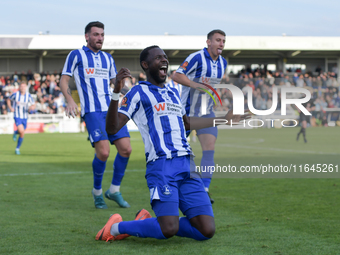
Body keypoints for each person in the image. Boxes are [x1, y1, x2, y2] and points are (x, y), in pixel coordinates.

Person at [96, 45, 248, 242]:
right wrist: (116, 93)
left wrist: (223, 119)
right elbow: (112, 128)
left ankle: (145, 222)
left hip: (188, 164)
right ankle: (115, 227)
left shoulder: (173, 92)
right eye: (158, 58)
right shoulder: (137, 93)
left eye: (165, 57)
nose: (164, 60)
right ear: (145, 64)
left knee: (206, 230)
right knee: (168, 228)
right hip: (162, 165)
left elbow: (187, 123)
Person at [59, 21, 132, 209]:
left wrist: (128, 91)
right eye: (96, 34)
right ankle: (97, 192)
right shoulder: (76, 55)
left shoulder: (108, 58)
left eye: (102, 35)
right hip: (92, 111)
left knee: (126, 149)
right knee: (104, 152)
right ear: (87, 36)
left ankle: (114, 190)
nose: (100, 38)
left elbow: (113, 84)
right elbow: (64, 80)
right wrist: (70, 100)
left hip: (111, 110)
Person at [172, 29, 228, 203]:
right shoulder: (196, 57)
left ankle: (204, 190)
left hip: (206, 113)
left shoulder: (223, 63)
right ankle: (174, 186)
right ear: (208, 42)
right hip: (186, 113)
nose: (221, 43)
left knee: (209, 148)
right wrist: (195, 85)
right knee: (177, 153)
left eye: (223, 41)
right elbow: (176, 75)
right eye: (218, 40)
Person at [7, 83, 34, 155]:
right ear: (19, 87)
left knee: (22, 132)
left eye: (24, 86)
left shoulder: (28, 96)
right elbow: (8, 100)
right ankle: (17, 149)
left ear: (25, 87)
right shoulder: (15, 95)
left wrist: (32, 107)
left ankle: (15, 132)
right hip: (17, 116)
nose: (22, 88)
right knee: (22, 131)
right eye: (21, 86)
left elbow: (33, 104)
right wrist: (10, 108)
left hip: (25, 117)